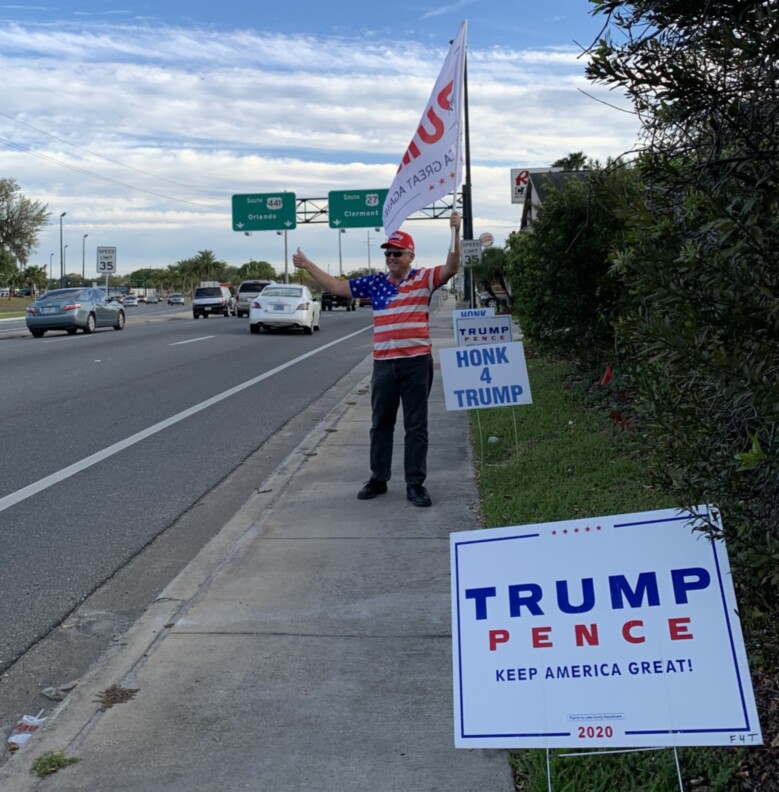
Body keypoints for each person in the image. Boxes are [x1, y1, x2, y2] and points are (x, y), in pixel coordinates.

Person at [292, 212, 462, 507]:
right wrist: (308, 265)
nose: (392, 257)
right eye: (388, 253)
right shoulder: (374, 283)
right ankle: (378, 478)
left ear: (411, 256)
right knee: (380, 423)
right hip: (384, 364)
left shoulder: (424, 278)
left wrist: (455, 232)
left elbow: (451, 267)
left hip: (415, 363)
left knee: (416, 425)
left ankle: (415, 483)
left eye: (398, 253)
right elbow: (336, 287)